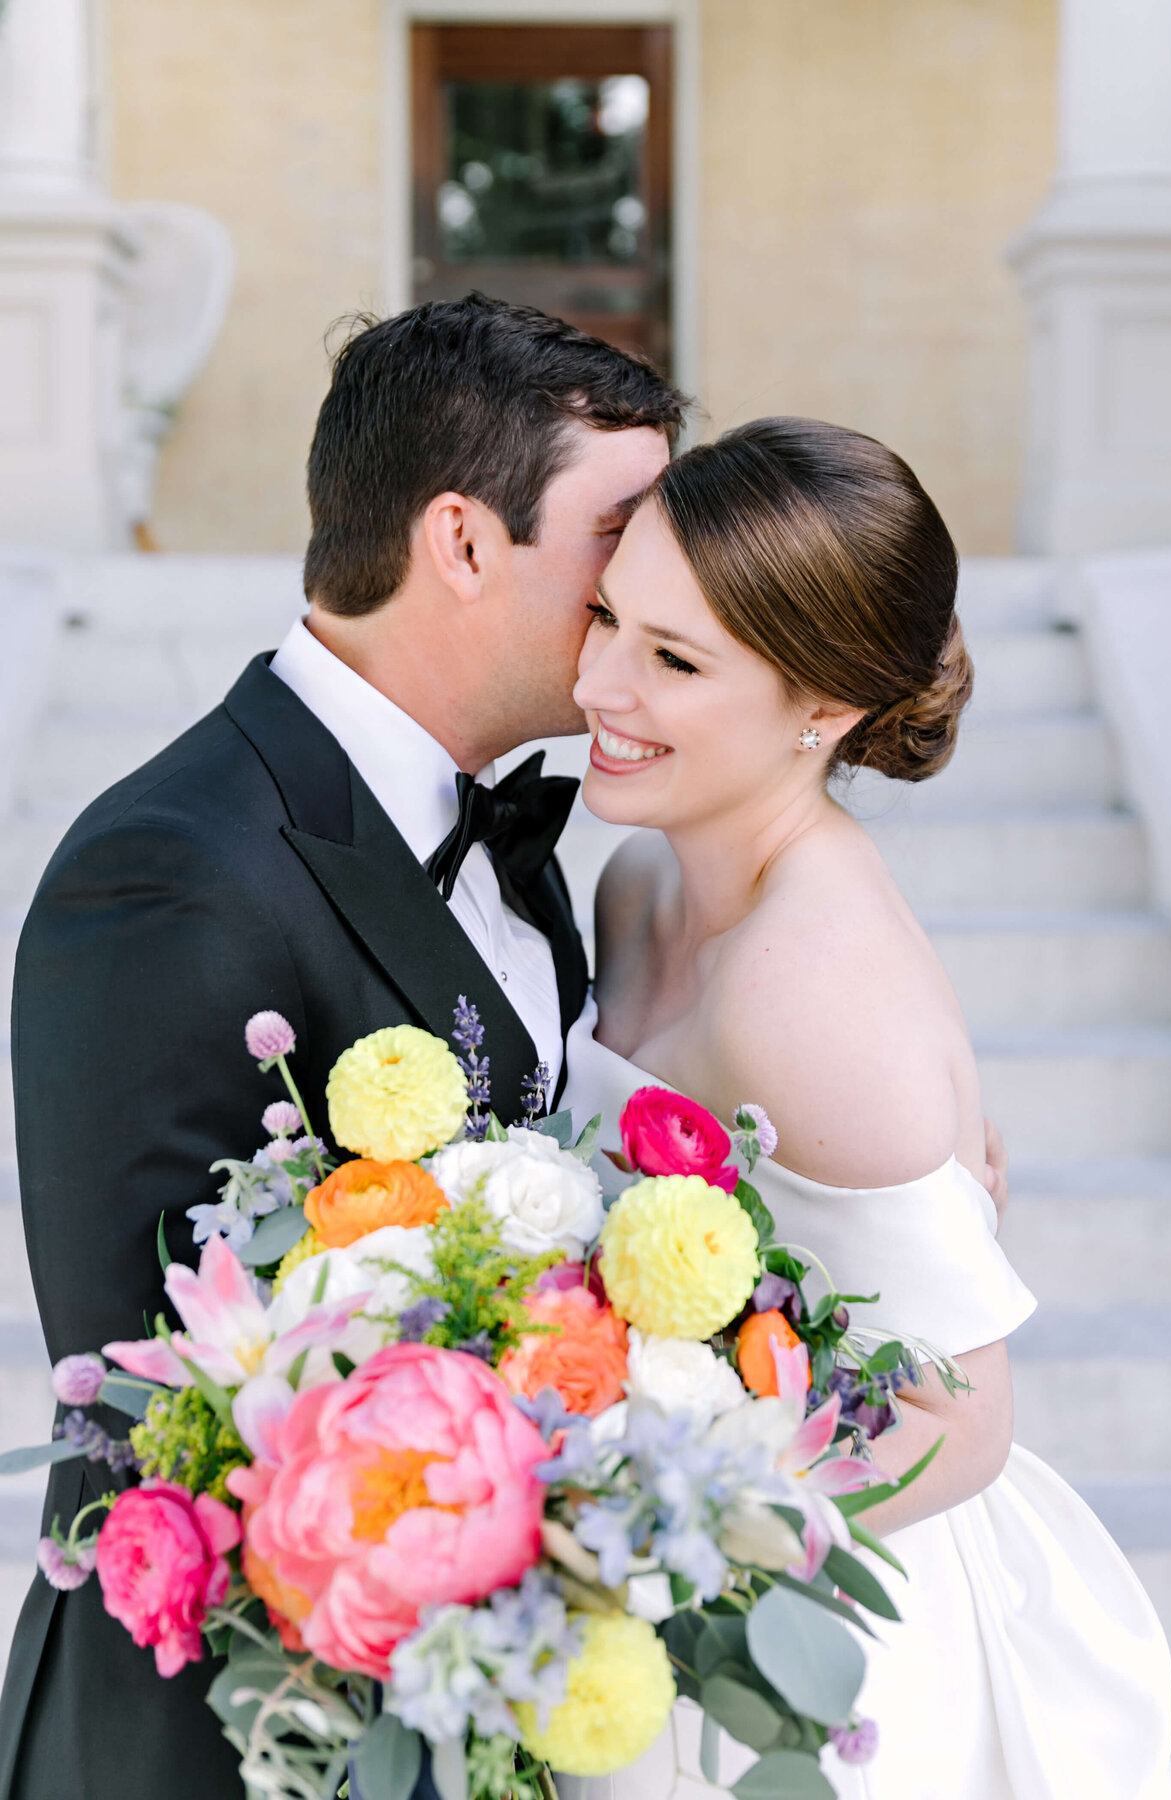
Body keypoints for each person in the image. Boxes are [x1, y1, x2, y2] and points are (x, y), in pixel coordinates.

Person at [0, 295, 683, 1800]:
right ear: (462, 541)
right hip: (221, 1730)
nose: (656, 582)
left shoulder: (513, 833)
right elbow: (153, 1399)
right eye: (621, 533)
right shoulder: (172, 866)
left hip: (460, 1694)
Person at [560, 417, 1171, 1800]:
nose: (600, 679)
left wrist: (658, 1540)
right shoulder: (640, 878)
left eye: (672, 659)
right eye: (608, 617)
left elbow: (963, 1419)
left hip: (805, 1637)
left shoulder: (813, 993)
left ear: (822, 706)